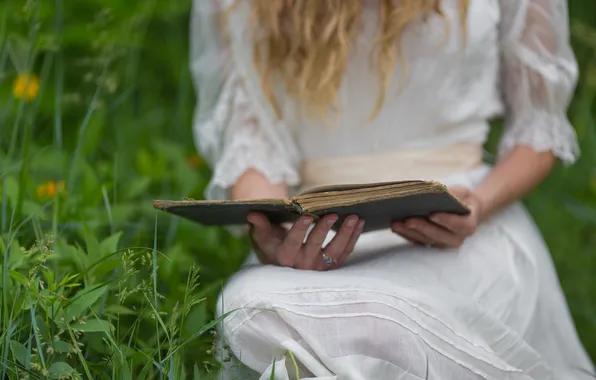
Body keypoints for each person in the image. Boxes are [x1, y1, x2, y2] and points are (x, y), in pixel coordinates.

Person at [190, 0, 596, 378]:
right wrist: (275, 234)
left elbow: (540, 128)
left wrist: (480, 204)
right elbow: (250, 141)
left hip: (463, 231)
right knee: (250, 305)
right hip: (319, 235)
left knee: (378, 324)